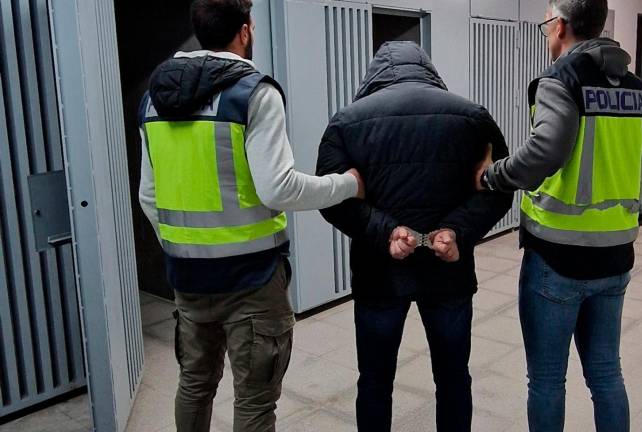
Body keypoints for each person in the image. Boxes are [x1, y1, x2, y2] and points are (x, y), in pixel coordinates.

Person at [137, 1, 364, 430]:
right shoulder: (253, 93)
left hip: (187, 278)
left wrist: (183, 247)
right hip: (253, 281)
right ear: (244, 32)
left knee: (194, 383)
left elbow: (149, 196)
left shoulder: (154, 99)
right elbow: (279, 188)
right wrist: (348, 184)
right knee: (255, 401)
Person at [476, 1, 642, 431]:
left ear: (559, 26)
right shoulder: (641, 91)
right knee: (606, 373)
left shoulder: (558, 81)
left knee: (546, 380)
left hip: (557, 258)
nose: (546, 34)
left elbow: (544, 152)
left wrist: (492, 177)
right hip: (616, 257)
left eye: (546, 25)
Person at [316, 41, 513, 432]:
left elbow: (331, 198)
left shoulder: (347, 121)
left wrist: (386, 231)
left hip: (379, 274)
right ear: (427, 68)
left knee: (375, 380)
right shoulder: (471, 117)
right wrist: (457, 231)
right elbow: (500, 188)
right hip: (449, 272)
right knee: (454, 377)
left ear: (374, 73)